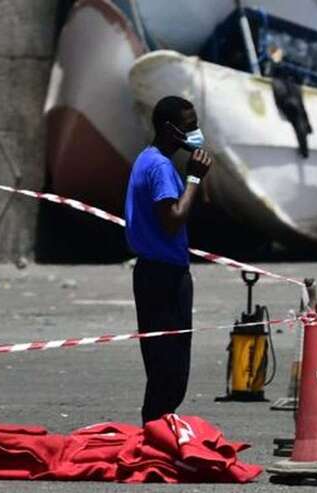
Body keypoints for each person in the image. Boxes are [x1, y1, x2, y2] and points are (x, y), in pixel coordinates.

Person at [124, 96, 213, 424]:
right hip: (163, 277)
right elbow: (173, 218)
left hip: (159, 272)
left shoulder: (151, 159)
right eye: (189, 127)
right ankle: (154, 434)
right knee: (169, 371)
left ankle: (156, 430)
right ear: (168, 129)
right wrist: (192, 178)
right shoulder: (160, 167)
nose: (196, 132)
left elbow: (199, 209)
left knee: (167, 367)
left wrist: (198, 177)